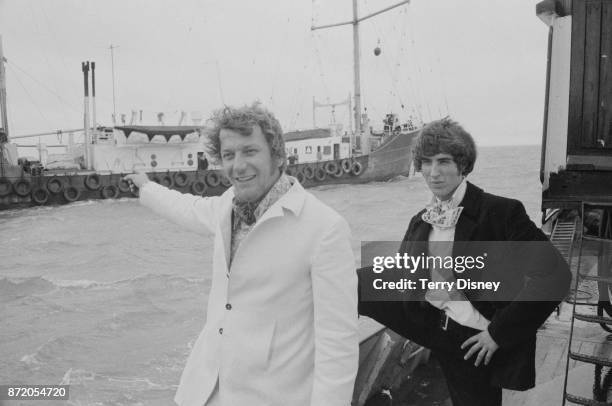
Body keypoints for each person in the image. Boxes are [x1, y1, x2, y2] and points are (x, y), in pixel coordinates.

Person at [125, 103, 358, 406]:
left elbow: (337, 345)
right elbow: (188, 208)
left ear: (277, 154)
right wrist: (146, 189)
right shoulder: (226, 206)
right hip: (206, 391)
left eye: (249, 151)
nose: (238, 166)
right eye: (228, 155)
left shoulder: (324, 228)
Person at [358, 117, 571, 406]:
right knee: (347, 283)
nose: (434, 173)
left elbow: (556, 277)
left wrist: (497, 334)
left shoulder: (501, 212)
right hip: (430, 319)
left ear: (462, 165)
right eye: (426, 162)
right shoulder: (420, 221)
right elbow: (403, 274)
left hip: (474, 338)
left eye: (444, 162)